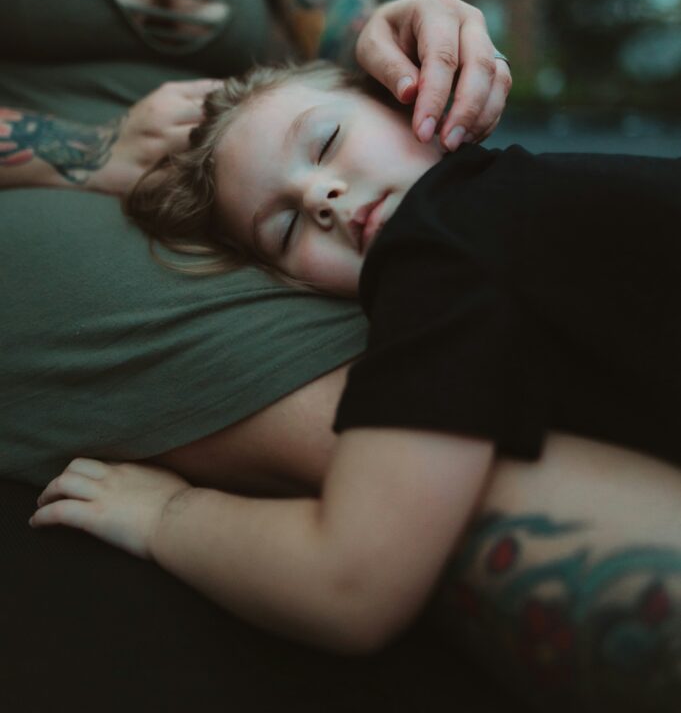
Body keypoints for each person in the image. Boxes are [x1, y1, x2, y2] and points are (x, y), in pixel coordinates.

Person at [32, 61, 681, 710]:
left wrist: (164, 515)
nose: (319, 196)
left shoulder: (442, 246)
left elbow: (349, 587)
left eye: (323, 142)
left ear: (409, 102)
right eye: (283, 227)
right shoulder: (530, 199)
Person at [0, 0, 511, 492]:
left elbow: (347, 33)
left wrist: (408, 34)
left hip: (246, 210)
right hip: (31, 201)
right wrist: (82, 150)